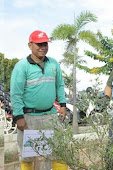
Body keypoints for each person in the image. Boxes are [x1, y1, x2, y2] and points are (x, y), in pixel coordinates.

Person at [10, 30, 67, 170]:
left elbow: (59, 85)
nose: (43, 47)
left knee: (59, 151)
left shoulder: (53, 63)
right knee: (27, 154)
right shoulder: (22, 66)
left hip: (50, 115)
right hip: (29, 117)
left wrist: (63, 105)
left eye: (45, 44)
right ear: (30, 45)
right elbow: (16, 94)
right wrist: (18, 117)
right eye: (39, 44)